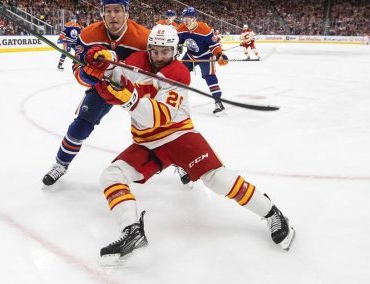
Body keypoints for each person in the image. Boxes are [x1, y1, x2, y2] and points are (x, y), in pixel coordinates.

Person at [83, 24, 295, 265]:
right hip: (146, 142)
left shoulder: (179, 73)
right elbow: (113, 76)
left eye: (165, 51)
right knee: (111, 175)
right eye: (155, 50)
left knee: (218, 179)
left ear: (175, 51)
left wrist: (128, 98)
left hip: (178, 137)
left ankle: (272, 213)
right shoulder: (137, 59)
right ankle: (132, 232)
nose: (159, 56)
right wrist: (104, 63)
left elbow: (157, 118)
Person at [42, 0, 150, 185]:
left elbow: (156, 69)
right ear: (102, 12)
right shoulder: (89, 34)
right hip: (103, 87)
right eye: (107, 11)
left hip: (134, 87)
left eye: (117, 10)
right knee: (80, 124)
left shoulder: (143, 38)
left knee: (158, 123)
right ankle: (60, 164)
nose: (112, 16)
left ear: (127, 12)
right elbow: (77, 68)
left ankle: (176, 162)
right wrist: (87, 76)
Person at [177, 7, 228, 115]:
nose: (185, 20)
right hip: (191, 55)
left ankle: (218, 102)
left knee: (210, 77)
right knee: (178, 73)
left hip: (206, 56)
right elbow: (179, 41)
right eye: (184, 18)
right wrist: (179, 47)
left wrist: (219, 54)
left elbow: (214, 45)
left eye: (188, 18)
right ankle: (176, 99)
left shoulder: (205, 29)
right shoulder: (181, 28)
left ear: (194, 18)